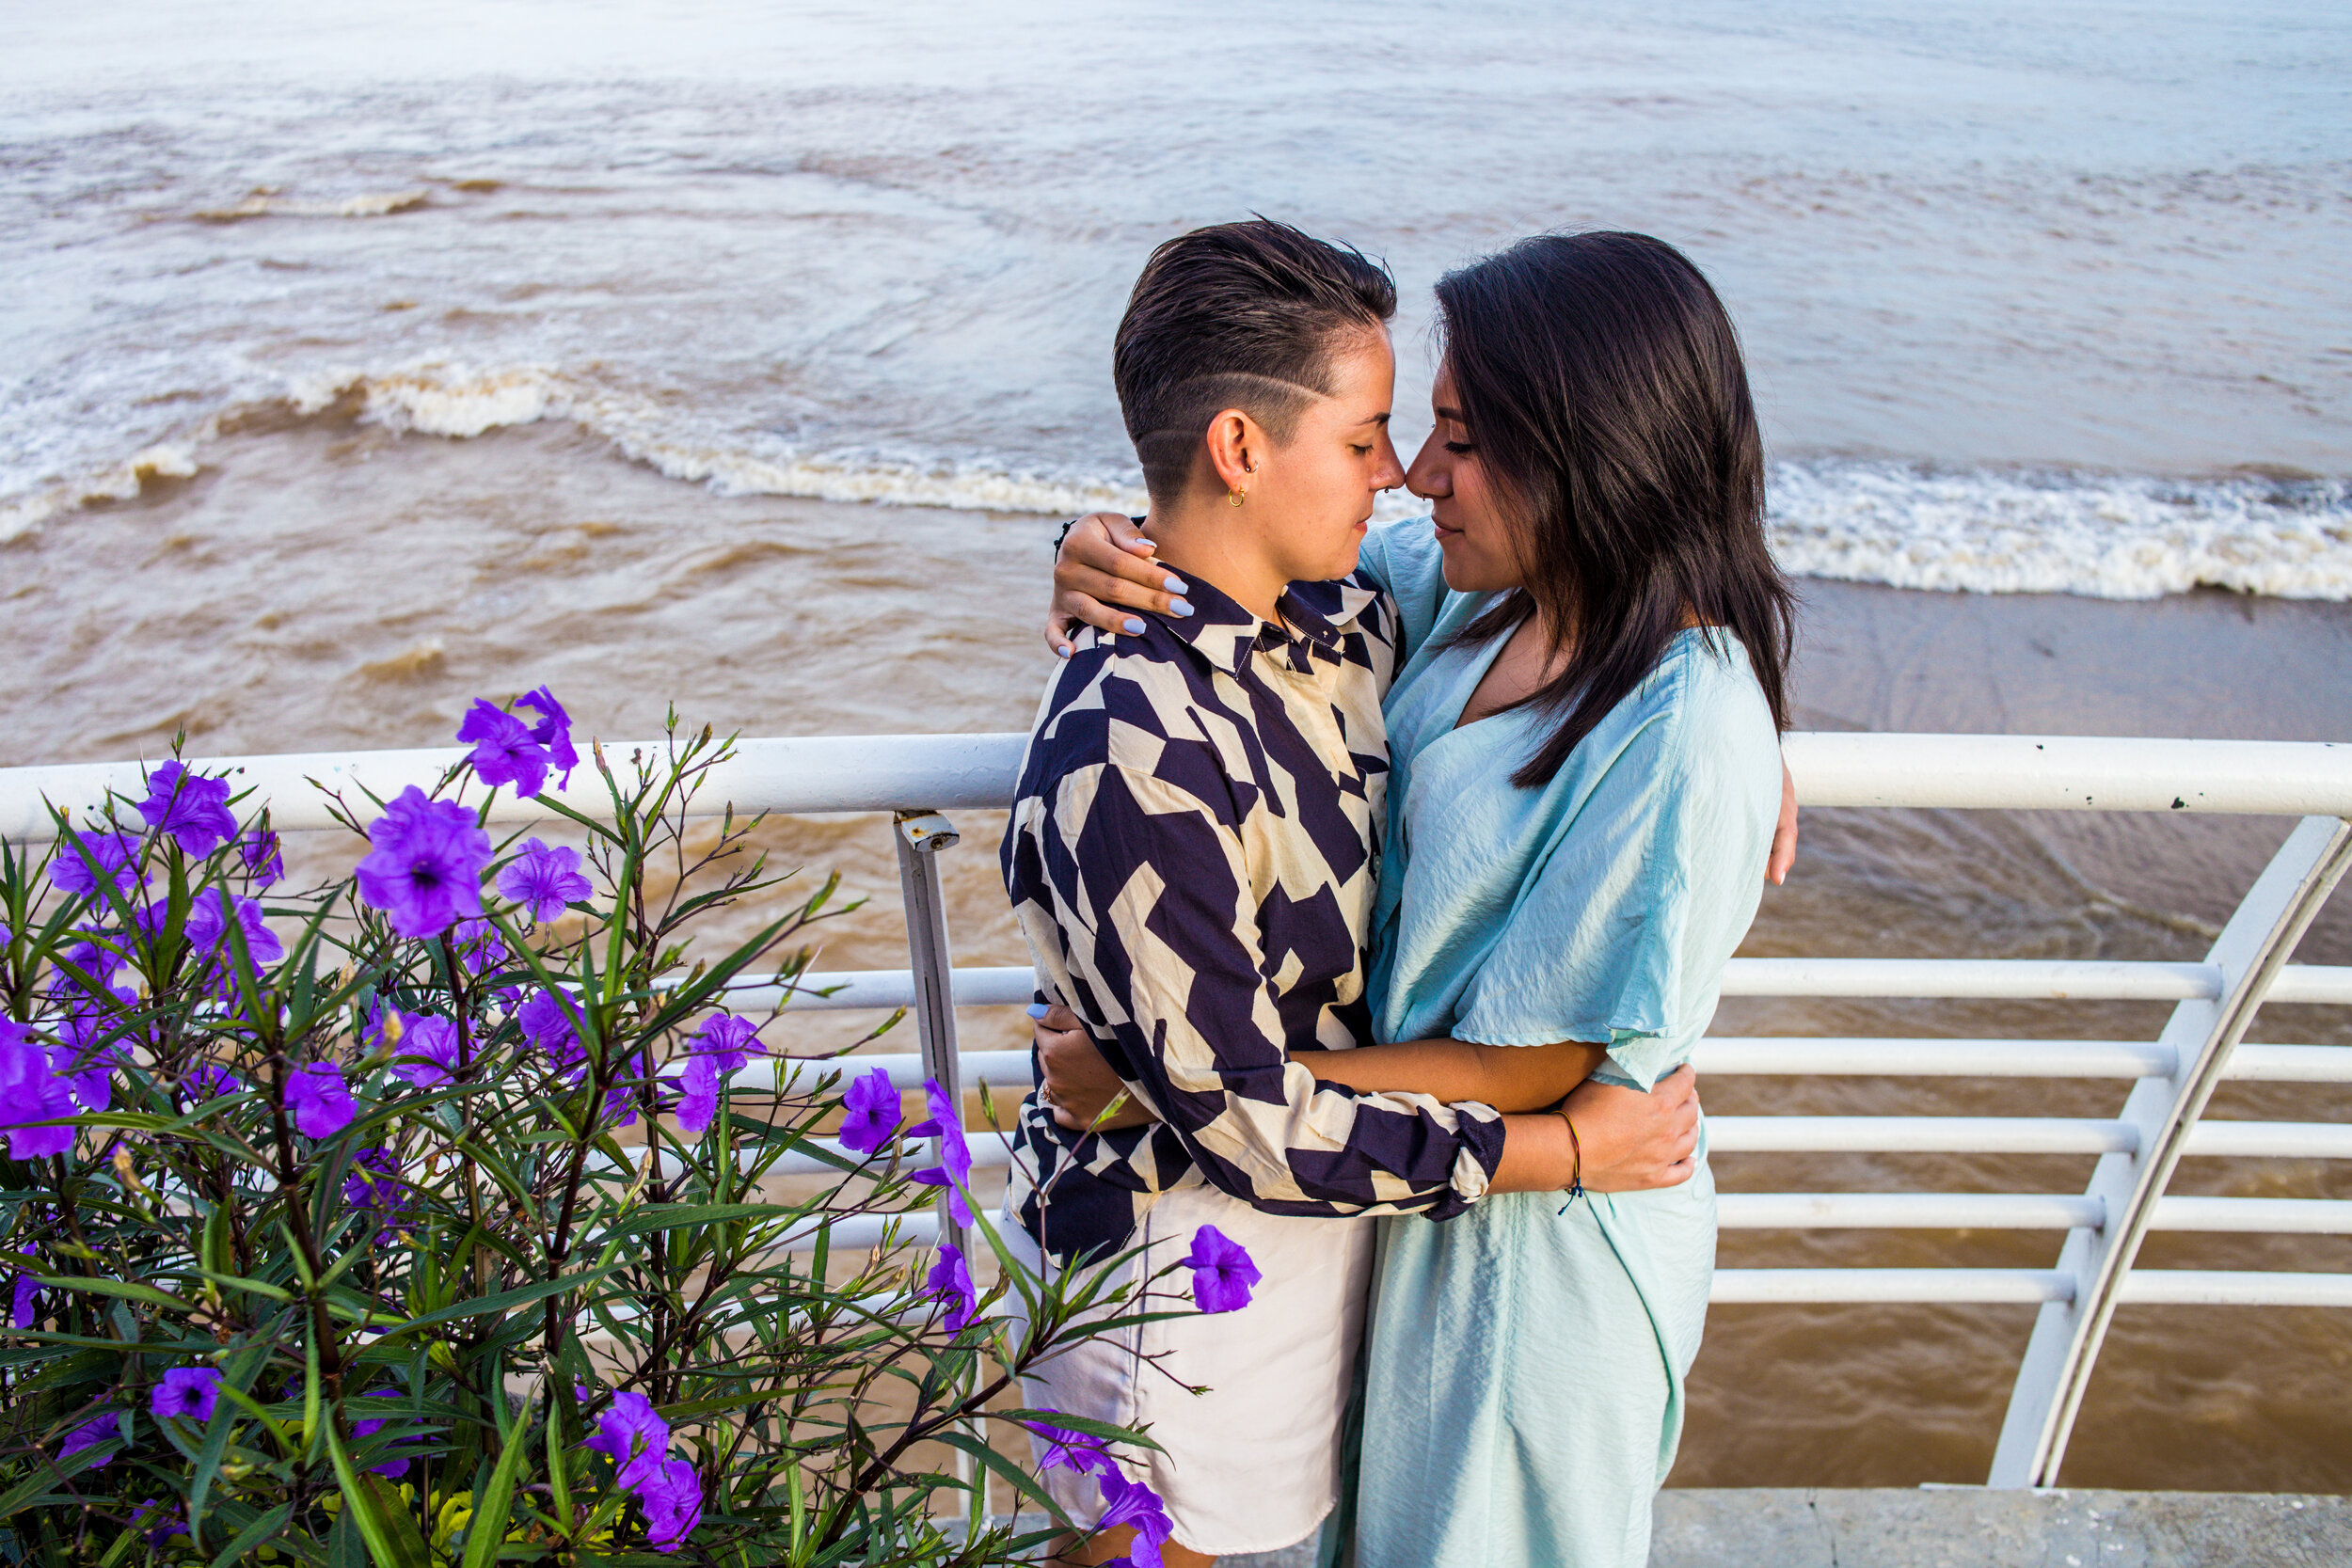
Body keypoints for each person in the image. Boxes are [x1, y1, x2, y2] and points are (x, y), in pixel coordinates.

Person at [1040, 230, 1793, 1566]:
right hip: (1397, 1190)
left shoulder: (1684, 721)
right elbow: (1242, 560)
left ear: (1589, 454)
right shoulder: (1469, 588)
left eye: (1456, 437)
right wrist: (1098, 546)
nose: (1414, 474)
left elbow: (1552, 1059)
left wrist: (1176, 1081)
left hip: (1541, 1244)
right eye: (1408, 428)